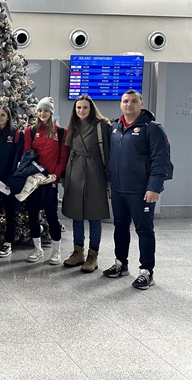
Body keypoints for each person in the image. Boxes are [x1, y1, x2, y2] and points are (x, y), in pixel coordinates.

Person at [103, 90, 172, 290]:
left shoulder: (153, 128)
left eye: (134, 101)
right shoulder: (115, 127)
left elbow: (161, 160)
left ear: (141, 104)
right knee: (120, 226)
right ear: (120, 104)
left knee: (144, 230)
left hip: (141, 191)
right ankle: (121, 263)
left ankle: (146, 272)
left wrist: (154, 187)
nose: (129, 104)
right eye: (125, 101)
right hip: (118, 189)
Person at [62, 95, 111, 273]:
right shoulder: (72, 127)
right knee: (76, 214)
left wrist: (108, 178)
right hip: (75, 172)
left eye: (85, 107)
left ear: (91, 109)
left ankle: (93, 255)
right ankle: (78, 252)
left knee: (94, 215)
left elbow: (108, 152)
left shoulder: (102, 125)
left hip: (94, 172)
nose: (81, 110)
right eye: (78, 107)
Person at [23, 97, 69, 264]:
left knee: (51, 216)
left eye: (46, 110)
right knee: (32, 215)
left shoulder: (61, 132)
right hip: (34, 180)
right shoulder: (30, 131)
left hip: (50, 182)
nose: (42, 113)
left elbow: (62, 157)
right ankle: (38, 249)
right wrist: (36, 174)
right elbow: (27, 155)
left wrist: (55, 175)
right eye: (40, 110)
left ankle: (56, 251)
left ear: (51, 112)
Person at [0, 106, 24, 258]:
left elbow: (18, 159)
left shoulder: (16, 134)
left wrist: (11, 179)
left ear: (8, 117)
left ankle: (8, 244)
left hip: (9, 182)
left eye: (2, 115)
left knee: (10, 213)